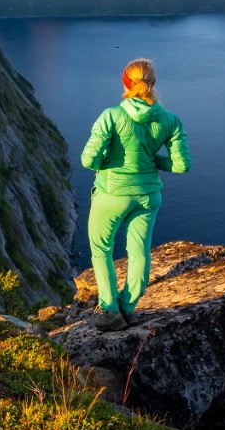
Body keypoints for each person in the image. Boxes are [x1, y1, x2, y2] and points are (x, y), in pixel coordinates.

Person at [80, 58, 191, 331]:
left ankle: (110, 310)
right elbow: (181, 165)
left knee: (101, 249)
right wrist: (154, 162)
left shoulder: (111, 116)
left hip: (112, 194)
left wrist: (107, 162)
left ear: (126, 82)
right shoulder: (170, 120)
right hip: (149, 195)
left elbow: (88, 159)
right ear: (152, 83)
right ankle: (129, 307)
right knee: (139, 250)